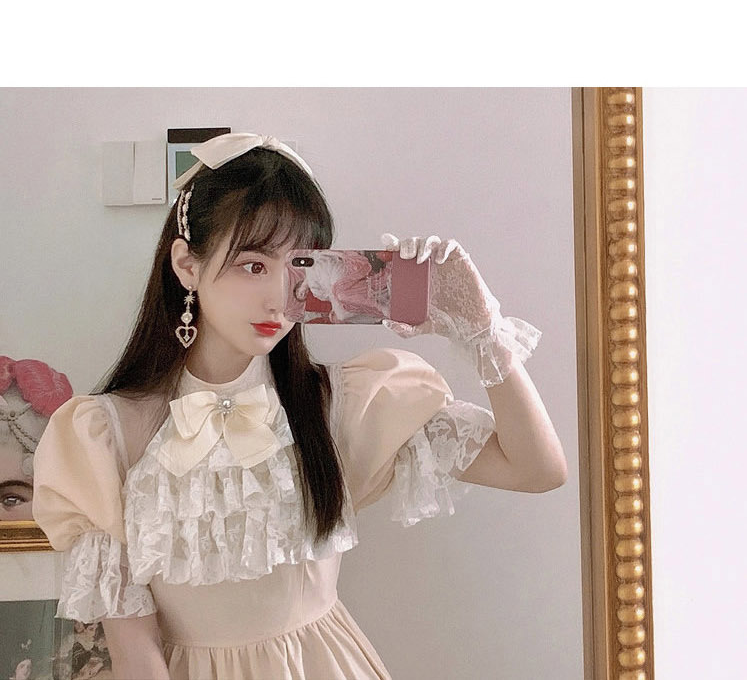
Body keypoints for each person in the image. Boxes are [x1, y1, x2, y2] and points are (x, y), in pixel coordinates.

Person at [33, 128, 567, 680]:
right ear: (187, 265)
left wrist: (480, 331)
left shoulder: (342, 405)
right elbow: (135, 655)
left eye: (300, 267)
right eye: (253, 265)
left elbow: (537, 469)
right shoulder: (106, 435)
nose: (278, 297)